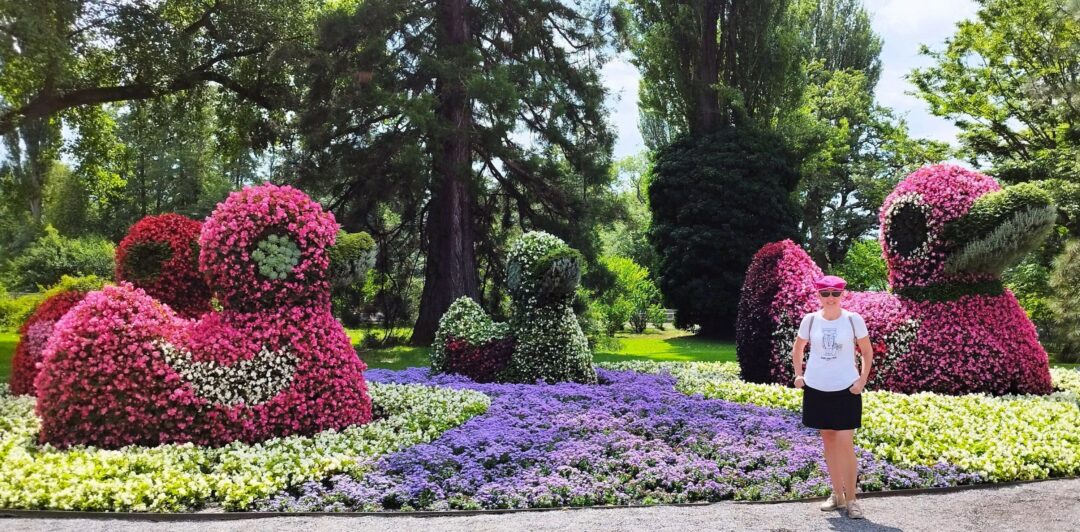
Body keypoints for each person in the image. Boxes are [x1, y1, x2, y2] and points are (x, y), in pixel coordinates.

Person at [791, 275, 873, 519]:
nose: (830, 298)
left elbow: (867, 352)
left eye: (835, 293)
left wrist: (862, 380)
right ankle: (837, 495)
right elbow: (798, 348)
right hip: (816, 387)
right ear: (818, 295)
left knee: (845, 444)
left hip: (846, 389)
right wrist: (799, 374)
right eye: (824, 293)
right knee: (828, 441)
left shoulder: (852, 320)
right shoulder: (810, 320)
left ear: (842, 295)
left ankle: (852, 500)